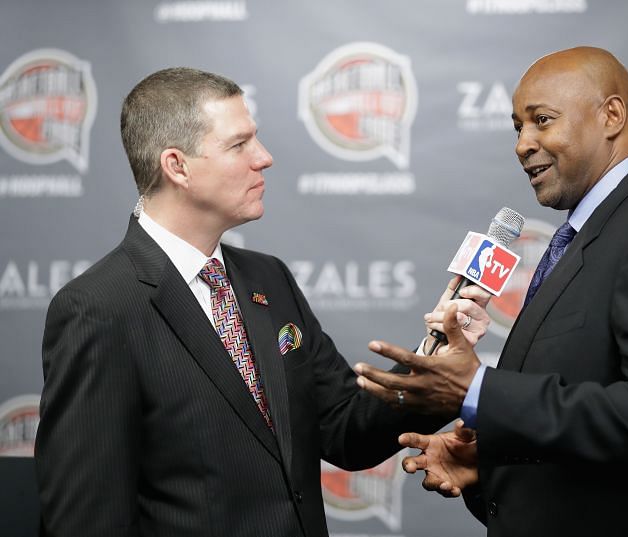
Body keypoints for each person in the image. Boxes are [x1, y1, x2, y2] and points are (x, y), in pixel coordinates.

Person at [34, 67, 490, 537]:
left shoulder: (267, 278)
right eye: (239, 145)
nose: (265, 158)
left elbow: (344, 428)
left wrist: (436, 359)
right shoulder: (98, 308)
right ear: (177, 166)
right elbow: (83, 518)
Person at [354, 46, 628, 536]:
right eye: (518, 127)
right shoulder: (592, 236)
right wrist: (497, 465)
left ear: (612, 115)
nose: (523, 144)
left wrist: (479, 391)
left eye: (542, 120)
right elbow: (597, 410)